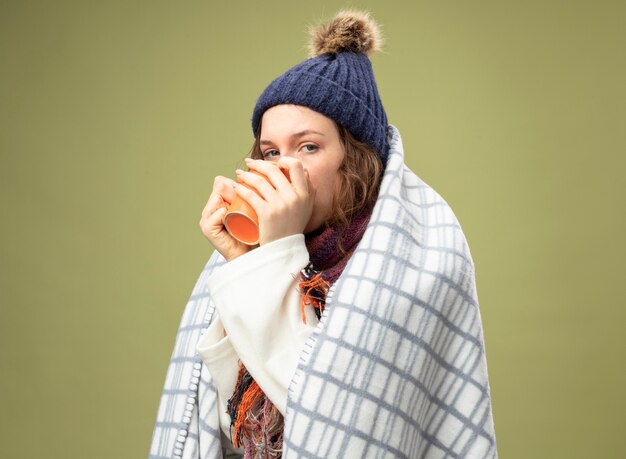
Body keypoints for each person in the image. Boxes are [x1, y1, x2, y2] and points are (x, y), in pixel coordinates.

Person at [150, 10, 497, 459]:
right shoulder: (261, 253)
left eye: (308, 146)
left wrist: (274, 258)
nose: (283, 167)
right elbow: (232, 431)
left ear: (355, 158)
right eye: (270, 151)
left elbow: (332, 428)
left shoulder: (412, 261)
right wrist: (245, 262)